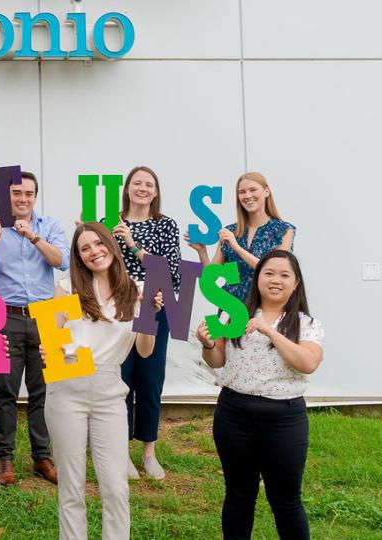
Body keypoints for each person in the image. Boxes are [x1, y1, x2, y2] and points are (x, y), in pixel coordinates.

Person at [42, 223, 161, 540]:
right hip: (67, 385)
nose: (94, 251)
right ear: (79, 256)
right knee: (72, 487)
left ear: (111, 245)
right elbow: (51, 345)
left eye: (99, 243)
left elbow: (145, 351)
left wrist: (149, 315)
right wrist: (49, 349)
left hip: (110, 390)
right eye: (85, 248)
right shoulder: (67, 287)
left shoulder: (136, 290)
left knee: (115, 486)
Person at [197, 250, 324, 540]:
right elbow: (217, 361)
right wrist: (207, 344)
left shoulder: (306, 323)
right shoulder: (232, 312)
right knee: (238, 494)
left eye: (284, 275)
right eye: (268, 273)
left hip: (284, 418)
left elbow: (308, 363)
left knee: (286, 500)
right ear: (257, 279)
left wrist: (270, 330)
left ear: (296, 284)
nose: (275, 280)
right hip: (233, 412)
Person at [0, 170, 68, 486]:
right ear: (6, 197)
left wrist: (33, 237)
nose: (23, 199)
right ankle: (4, 459)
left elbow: (62, 262)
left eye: (28, 194)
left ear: (35, 197)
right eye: (16, 194)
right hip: (3, 316)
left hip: (48, 315)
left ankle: (42, 456)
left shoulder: (49, 226)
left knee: (45, 390)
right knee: (5, 390)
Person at [105, 166, 181, 480]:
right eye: (137, 183)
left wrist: (134, 244)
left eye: (149, 184)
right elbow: (101, 263)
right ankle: (121, 453)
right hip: (120, 307)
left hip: (154, 304)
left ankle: (149, 452)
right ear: (127, 188)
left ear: (156, 191)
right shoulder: (111, 222)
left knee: (150, 379)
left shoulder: (165, 225)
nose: (143, 188)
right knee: (121, 378)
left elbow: (170, 272)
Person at [186, 172, 295, 301]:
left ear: (266, 191)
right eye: (242, 192)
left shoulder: (284, 230)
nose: (248, 196)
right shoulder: (230, 231)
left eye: (253, 190)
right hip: (232, 310)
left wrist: (237, 248)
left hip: (265, 306)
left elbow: (274, 269)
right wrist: (202, 251)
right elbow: (211, 277)